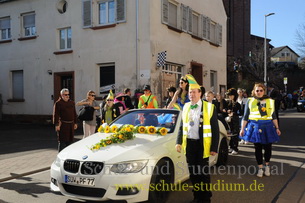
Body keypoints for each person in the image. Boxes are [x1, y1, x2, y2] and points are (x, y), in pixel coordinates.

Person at [176, 74, 219, 203]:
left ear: (200, 93)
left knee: (203, 173)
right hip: (189, 145)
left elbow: (215, 130)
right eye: (190, 92)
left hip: (202, 145)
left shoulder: (209, 107)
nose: (192, 94)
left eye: (194, 92)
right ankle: (197, 196)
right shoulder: (186, 107)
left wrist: (214, 147)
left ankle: (205, 198)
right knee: (193, 173)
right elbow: (182, 126)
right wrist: (178, 142)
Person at [240, 83, 281, 178]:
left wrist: (277, 128)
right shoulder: (250, 101)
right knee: (257, 148)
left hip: (268, 126)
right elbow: (245, 116)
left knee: (268, 147)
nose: (259, 92)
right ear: (254, 91)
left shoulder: (270, 101)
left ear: (264, 91)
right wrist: (242, 129)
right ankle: (260, 168)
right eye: (257, 90)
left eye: (261, 90)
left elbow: (274, 116)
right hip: (255, 126)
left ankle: (267, 166)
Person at [224, 88, 241, 155]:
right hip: (229, 120)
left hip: (235, 120)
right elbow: (226, 108)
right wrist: (226, 110)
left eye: (231, 95)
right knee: (230, 134)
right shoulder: (228, 102)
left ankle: (235, 148)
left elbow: (240, 112)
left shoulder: (237, 104)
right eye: (229, 95)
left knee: (235, 134)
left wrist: (233, 113)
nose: (230, 97)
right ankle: (231, 147)